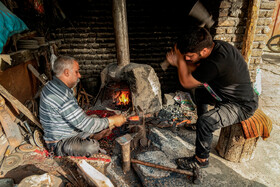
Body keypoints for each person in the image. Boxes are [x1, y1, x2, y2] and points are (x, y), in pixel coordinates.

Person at [166, 27, 258, 169]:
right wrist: (182, 62)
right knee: (201, 93)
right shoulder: (213, 47)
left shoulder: (216, 62)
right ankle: (201, 128)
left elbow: (186, 82)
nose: (187, 58)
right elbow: (195, 70)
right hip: (223, 95)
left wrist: (179, 60)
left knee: (206, 122)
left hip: (241, 105)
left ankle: (200, 160)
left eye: (189, 55)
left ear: (203, 51)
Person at [39, 56, 126, 157]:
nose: (79, 75)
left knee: (95, 118)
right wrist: (112, 120)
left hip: (70, 131)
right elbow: (84, 123)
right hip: (59, 143)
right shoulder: (60, 95)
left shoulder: (55, 86)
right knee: (91, 147)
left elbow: (80, 120)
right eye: (76, 72)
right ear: (66, 72)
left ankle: (92, 135)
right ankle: (91, 138)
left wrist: (104, 123)